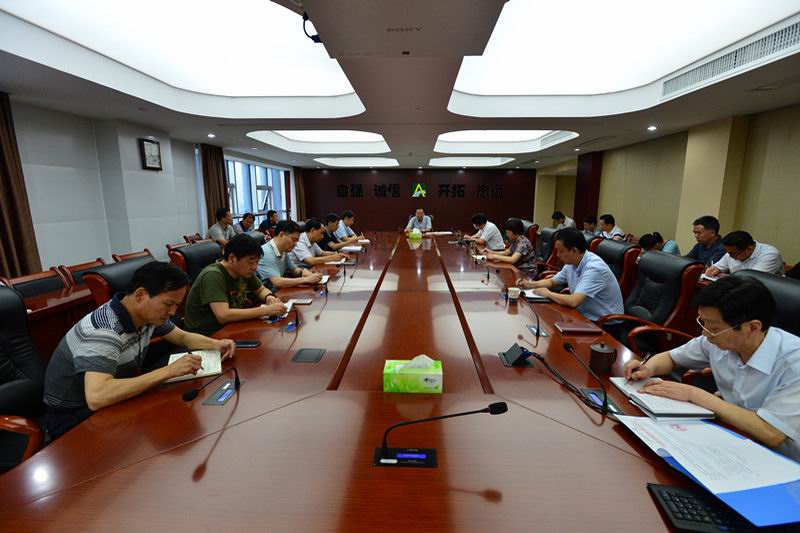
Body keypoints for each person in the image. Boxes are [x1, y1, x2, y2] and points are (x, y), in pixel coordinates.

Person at [42, 262, 236, 440]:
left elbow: (182, 337)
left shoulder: (146, 316)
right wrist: (169, 371)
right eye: (168, 304)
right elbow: (97, 397)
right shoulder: (104, 331)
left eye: (176, 305)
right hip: (73, 418)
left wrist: (215, 344)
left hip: (110, 401)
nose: (172, 312)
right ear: (141, 295)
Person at [623, 276, 800, 460]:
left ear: (753, 327)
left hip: (782, 461)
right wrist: (647, 368)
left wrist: (693, 394)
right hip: (733, 437)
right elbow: (671, 358)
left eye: (714, 328)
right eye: (703, 322)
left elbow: (772, 433)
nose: (705, 333)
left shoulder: (794, 363)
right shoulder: (717, 340)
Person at [184, 234, 287, 336]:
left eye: (257, 262)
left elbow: (260, 290)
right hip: (208, 335)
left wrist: (269, 297)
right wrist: (265, 310)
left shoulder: (243, 271)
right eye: (251, 262)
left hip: (231, 327)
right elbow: (223, 315)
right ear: (232, 258)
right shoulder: (213, 275)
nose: (254, 268)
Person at [518, 228, 624, 321]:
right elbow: (552, 281)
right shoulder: (572, 263)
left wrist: (547, 293)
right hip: (582, 315)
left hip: (604, 324)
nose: (558, 255)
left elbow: (574, 301)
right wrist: (530, 284)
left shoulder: (594, 268)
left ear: (574, 250)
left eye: (560, 251)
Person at [257, 220, 322, 290]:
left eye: (297, 241)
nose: (296, 244)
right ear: (281, 234)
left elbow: (294, 269)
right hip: (269, 294)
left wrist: (303, 272)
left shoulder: (283, 250)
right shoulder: (266, 253)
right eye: (293, 240)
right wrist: (307, 279)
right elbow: (277, 282)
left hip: (279, 291)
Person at [705, 231, 784, 277]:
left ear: (749, 249)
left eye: (732, 254)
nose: (730, 256)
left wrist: (728, 277)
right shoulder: (732, 252)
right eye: (728, 253)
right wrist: (714, 269)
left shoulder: (770, 254)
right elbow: (718, 267)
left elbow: (753, 279)